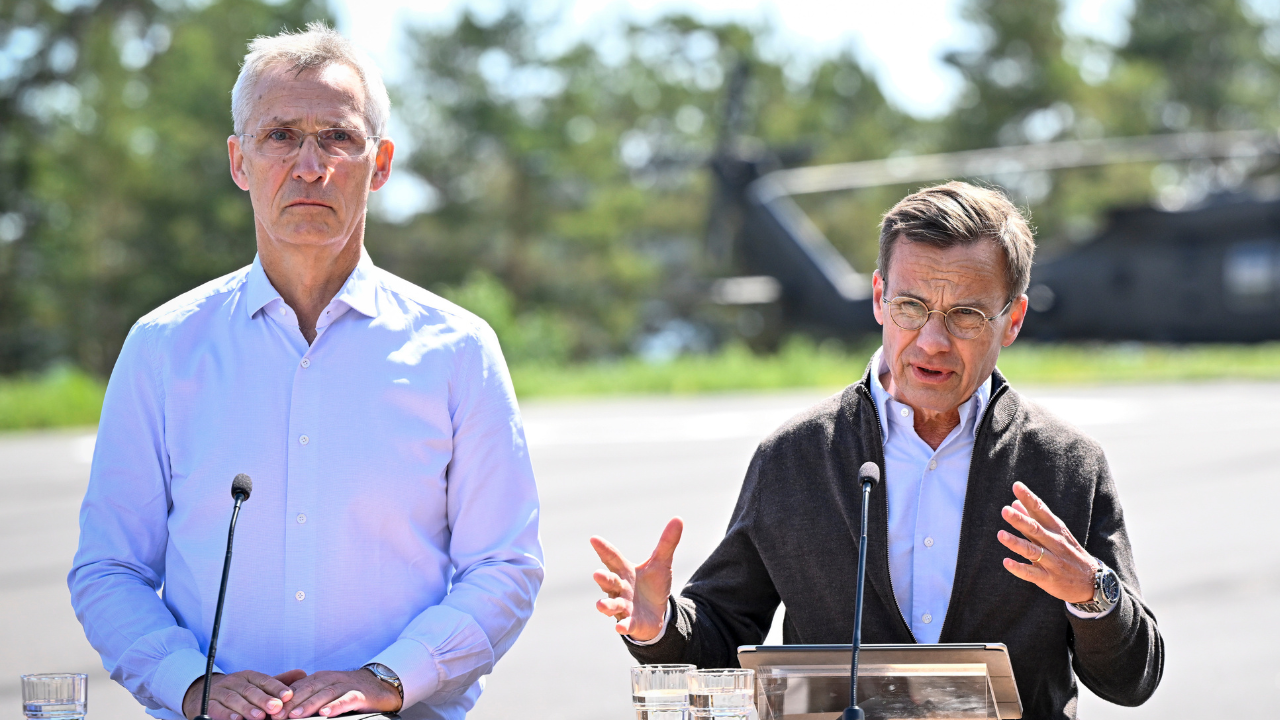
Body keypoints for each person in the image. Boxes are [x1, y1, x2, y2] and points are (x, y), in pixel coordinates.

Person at [68, 23, 542, 720]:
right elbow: (111, 568)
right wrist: (191, 684)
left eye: (338, 138)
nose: (310, 166)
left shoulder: (458, 351)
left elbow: (504, 566)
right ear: (239, 161)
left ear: (379, 165)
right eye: (281, 136)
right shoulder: (162, 347)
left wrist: (389, 678)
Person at [590, 182, 1162, 719]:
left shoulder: (1066, 465)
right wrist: (658, 624)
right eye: (911, 308)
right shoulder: (795, 457)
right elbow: (718, 633)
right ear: (879, 299)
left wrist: (1093, 593)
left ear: (1011, 320)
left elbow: (1132, 680)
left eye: (965, 315)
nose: (932, 342)